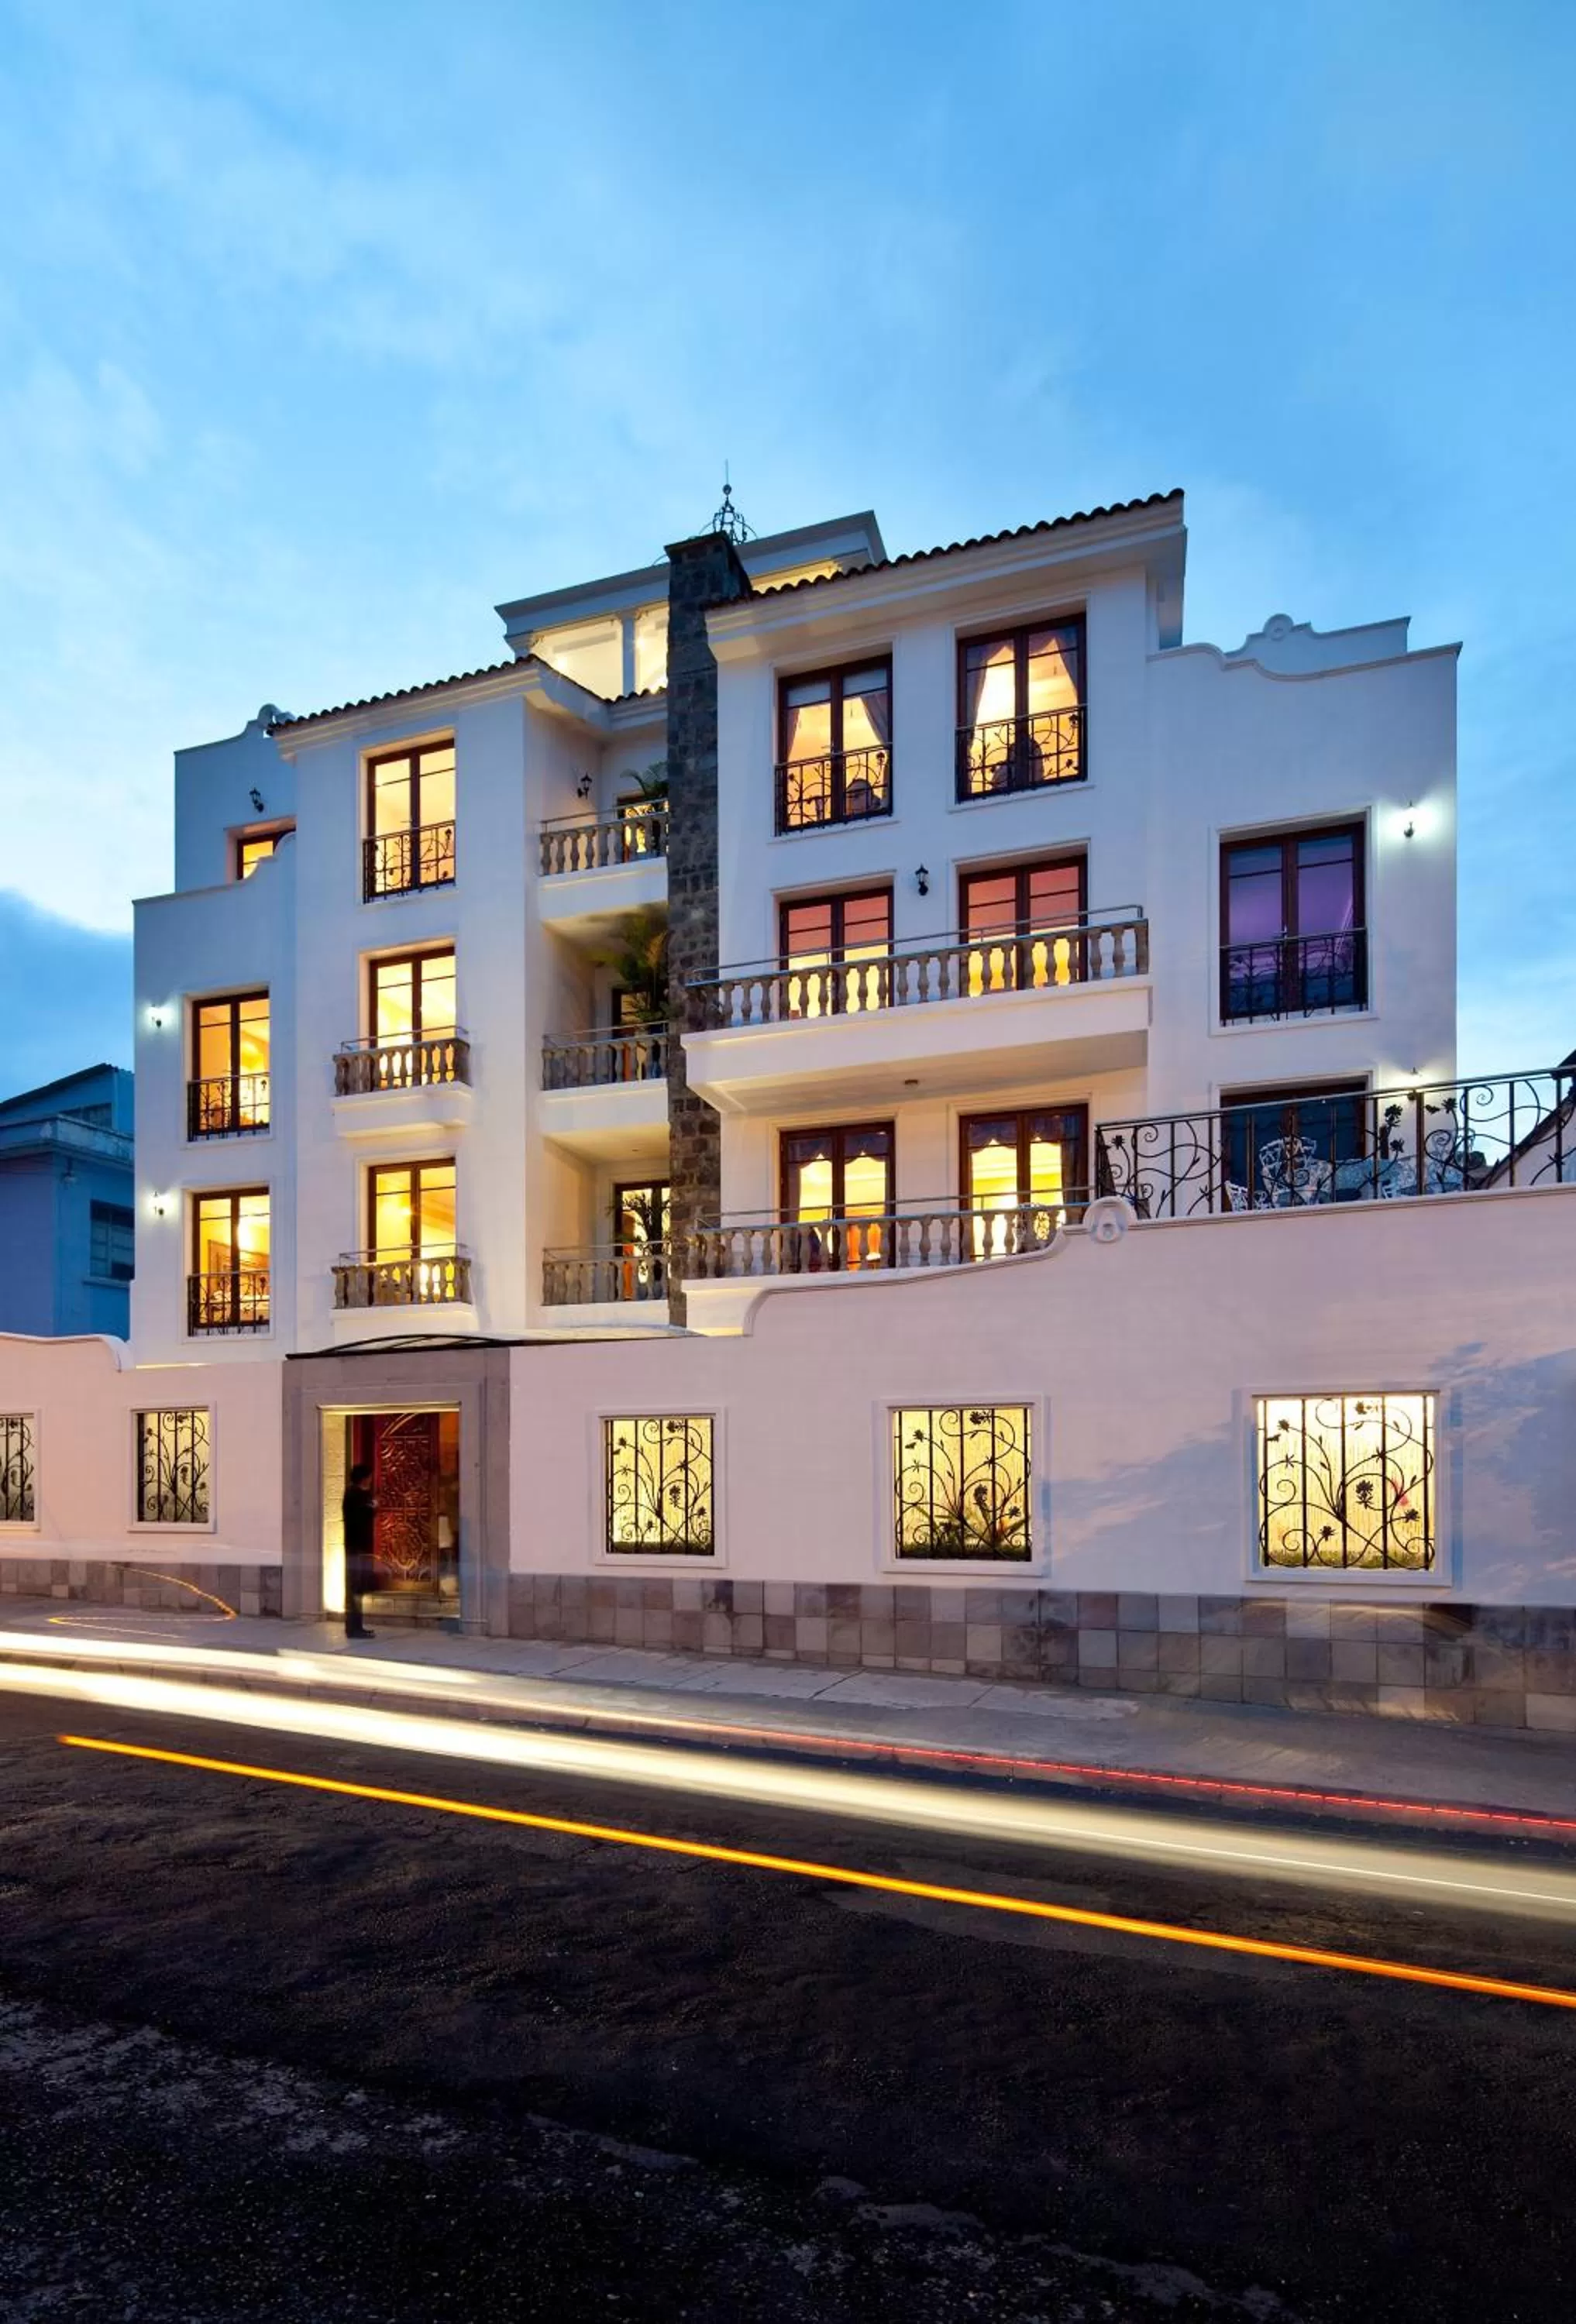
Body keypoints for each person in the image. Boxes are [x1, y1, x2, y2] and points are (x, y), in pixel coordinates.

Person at [342, 1462, 377, 1640]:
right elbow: (361, 1517)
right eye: (369, 1477)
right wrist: (372, 1507)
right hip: (356, 1548)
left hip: (359, 1548)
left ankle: (357, 1626)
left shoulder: (357, 1495)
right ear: (364, 1478)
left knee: (358, 1589)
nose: (371, 1480)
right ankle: (353, 1628)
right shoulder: (355, 1495)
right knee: (355, 1589)